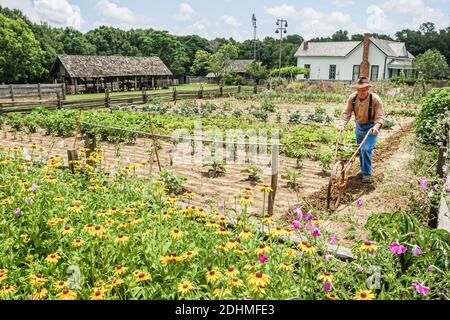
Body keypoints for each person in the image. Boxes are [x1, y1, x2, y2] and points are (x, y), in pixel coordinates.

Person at [336, 77, 385, 183]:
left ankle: (367, 175)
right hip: (359, 127)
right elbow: (346, 113)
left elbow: (380, 117)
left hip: (371, 127)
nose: (361, 92)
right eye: (359, 90)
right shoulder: (353, 98)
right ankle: (363, 170)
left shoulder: (375, 99)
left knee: (366, 149)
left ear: (368, 89)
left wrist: (376, 127)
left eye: (363, 90)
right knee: (360, 150)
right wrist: (341, 125)